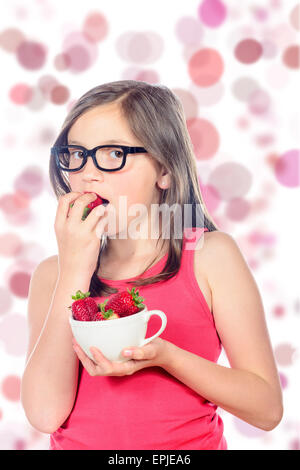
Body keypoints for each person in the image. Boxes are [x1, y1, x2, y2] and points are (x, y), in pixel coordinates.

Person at [20, 80, 283, 450]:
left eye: (113, 154)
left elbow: (267, 408)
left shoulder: (210, 256)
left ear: (164, 169)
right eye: (75, 154)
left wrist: (166, 356)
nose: (87, 174)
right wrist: (74, 269)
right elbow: (45, 414)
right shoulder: (54, 274)